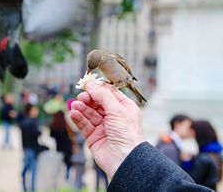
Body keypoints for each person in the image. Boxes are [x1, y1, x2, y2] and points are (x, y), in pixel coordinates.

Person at [69, 81, 213, 191]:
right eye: (189, 126)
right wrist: (126, 158)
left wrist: (128, 159)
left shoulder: (171, 144)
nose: (191, 131)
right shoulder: (170, 145)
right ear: (178, 124)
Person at [182, 120, 222, 190]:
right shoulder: (216, 152)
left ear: (198, 133)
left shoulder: (203, 158)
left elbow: (191, 180)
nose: (191, 133)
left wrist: (186, 162)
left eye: (192, 130)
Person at [19, 103, 45, 192]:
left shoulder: (23, 122)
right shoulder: (34, 122)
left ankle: (24, 187)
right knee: (33, 170)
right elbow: (36, 134)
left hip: (26, 148)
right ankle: (32, 189)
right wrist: (40, 131)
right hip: (33, 148)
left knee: (25, 169)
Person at [49, 110, 73, 179]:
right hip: (67, 147)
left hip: (59, 147)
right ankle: (67, 177)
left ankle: (60, 177)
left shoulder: (53, 126)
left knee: (59, 163)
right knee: (68, 163)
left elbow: (51, 135)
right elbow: (71, 135)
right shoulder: (65, 125)